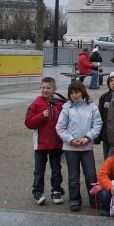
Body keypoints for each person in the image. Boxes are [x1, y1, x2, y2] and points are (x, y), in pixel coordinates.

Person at [56, 81, 103, 212]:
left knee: (91, 175)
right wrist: (70, 140)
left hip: (86, 146)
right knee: (73, 176)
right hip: (71, 147)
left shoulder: (91, 107)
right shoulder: (67, 108)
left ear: (82, 92)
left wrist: (88, 137)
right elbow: (60, 127)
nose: (74, 95)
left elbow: (97, 124)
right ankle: (74, 199)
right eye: (71, 93)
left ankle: (94, 198)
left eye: (76, 92)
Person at [24, 76, 66, 205]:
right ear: (40, 88)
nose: (45, 90)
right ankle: (37, 192)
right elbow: (29, 123)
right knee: (39, 170)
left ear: (55, 89)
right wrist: (41, 116)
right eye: (43, 87)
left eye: (49, 88)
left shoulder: (61, 104)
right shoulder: (36, 104)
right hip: (41, 144)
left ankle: (56, 190)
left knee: (56, 169)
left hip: (56, 144)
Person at [95, 72, 114, 160]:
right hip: (106, 132)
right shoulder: (104, 97)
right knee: (106, 157)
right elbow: (99, 115)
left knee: (112, 156)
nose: (113, 83)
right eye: (111, 81)